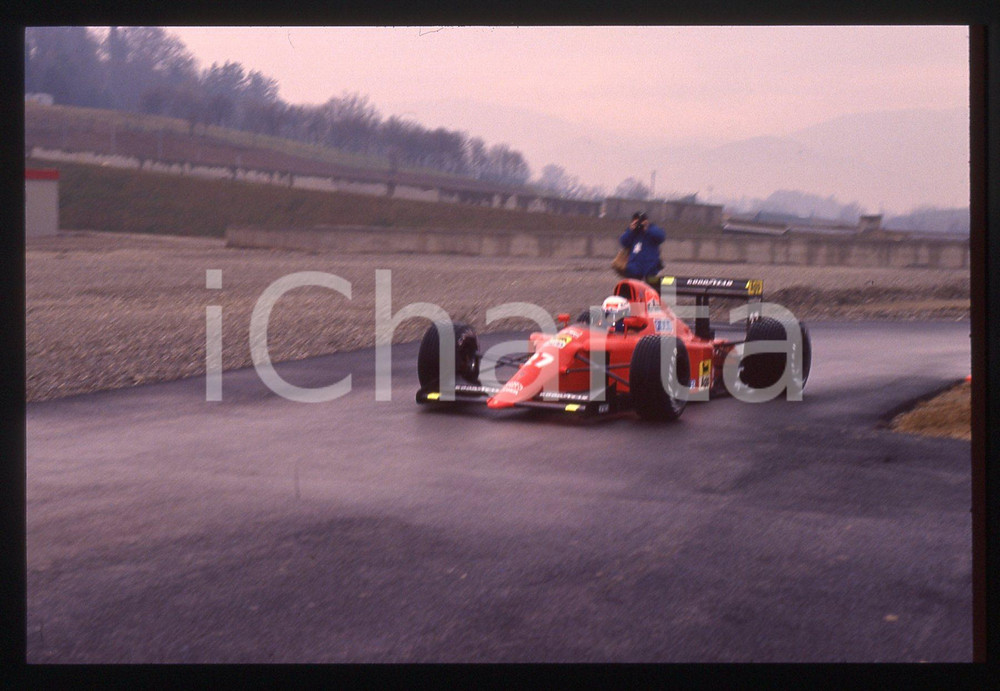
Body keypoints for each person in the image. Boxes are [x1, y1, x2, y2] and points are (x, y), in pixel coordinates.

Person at [615, 211, 665, 285]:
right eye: (636, 222)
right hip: (634, 269)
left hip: (650, 268)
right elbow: (623, 242)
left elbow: (661, 237)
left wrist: (647, 228)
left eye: (640, 221)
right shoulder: (632, 233)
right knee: (634, 289)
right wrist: (630, 230)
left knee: (651, 288)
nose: (639, 224)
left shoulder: (652, 229)